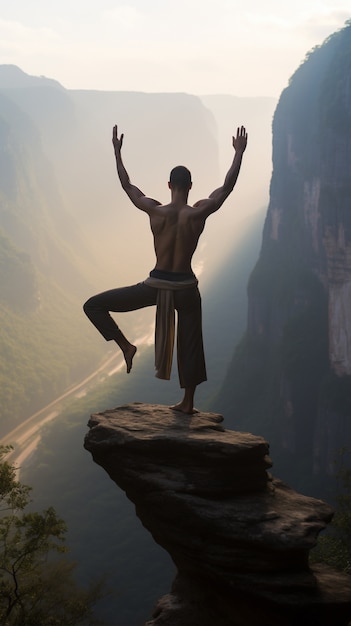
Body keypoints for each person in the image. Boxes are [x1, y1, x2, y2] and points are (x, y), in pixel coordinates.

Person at [83, 124, 248, 414]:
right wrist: (238, 154)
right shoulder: (198, 213)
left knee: (94, 306)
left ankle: (124, 344)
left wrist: (117, 153)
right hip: (185, 287)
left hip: (155, 285)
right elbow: (226, 188)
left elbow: (128, 186)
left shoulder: (155, 211)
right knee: (191, 343)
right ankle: (187, 403)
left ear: (169, 186)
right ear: (191, 187)